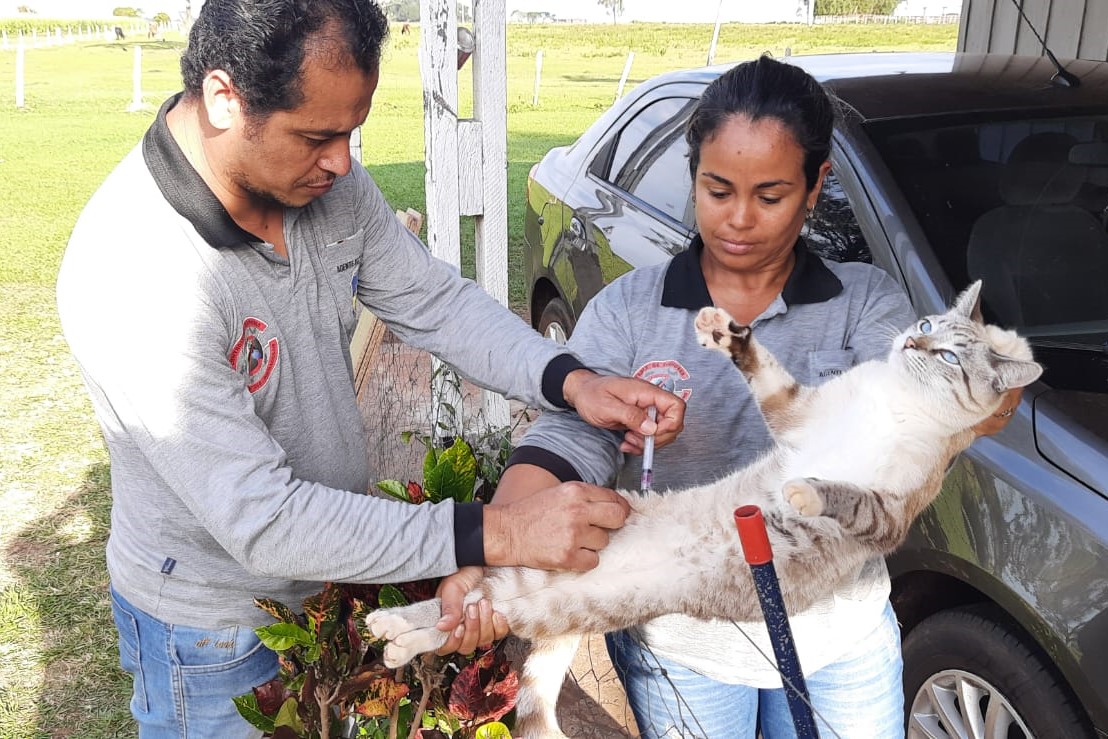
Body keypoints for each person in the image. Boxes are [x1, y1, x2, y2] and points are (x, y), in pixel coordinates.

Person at [54, 1, 684, 736]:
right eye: (317, 136)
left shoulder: (321, 185)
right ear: (225, 97)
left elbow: (434, 301)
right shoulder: (136, 272)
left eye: (352, 131)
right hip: (214, 631)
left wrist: (571, 379)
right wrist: (502, 533)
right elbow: (266, 519)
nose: (343, 162)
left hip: (329, 581)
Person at [493, 55, 1022, 738]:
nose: (739, 220)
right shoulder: (631, 311)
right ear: (693, 176)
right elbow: (569, 437)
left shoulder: (867, 305)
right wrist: (507, 530)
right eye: (717, 190)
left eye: (770, 196)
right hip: (687, 645)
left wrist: (966, 415)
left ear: (815, 186)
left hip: (842, 639)